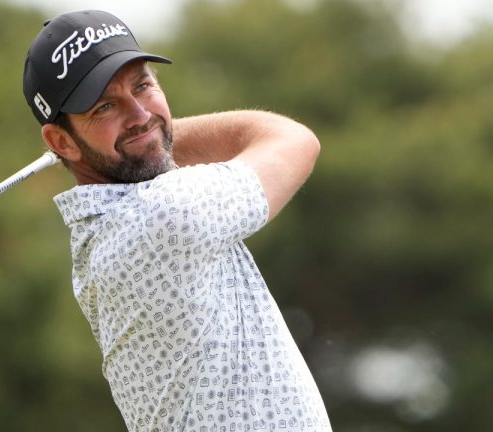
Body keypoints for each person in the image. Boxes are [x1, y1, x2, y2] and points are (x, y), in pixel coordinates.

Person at [23, 10, 332, 432]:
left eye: (143, 86)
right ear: (60, 141)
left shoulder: (101, 233)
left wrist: (141, 134)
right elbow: (294, 140)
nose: (137, 112)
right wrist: (152, 132)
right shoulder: (164, 215)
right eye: (104, 107)